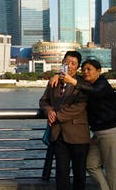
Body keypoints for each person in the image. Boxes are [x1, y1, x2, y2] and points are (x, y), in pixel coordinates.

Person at [56, 59, 116, 190]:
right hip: (98, 133)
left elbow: (95, 91)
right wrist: (57, 76)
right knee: (90, 164)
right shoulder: (85, 83)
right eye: (84, 69)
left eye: (89, 69)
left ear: (99, 71)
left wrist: (72, 81)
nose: (86, 72)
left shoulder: (102, 84)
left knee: (112, 172)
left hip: (112, 132)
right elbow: (73, 78)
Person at [39, 51, 90, 190]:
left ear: (78, 67)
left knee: (79, 175)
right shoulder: (54, 81)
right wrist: (48, 110)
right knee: (61, 175)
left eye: (73, 63)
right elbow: (43, 101)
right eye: (66, 62)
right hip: (58, 135)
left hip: (78, 135)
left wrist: (57, 116)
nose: (69, 65)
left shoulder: (82, 83)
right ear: (62, 62)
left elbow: (80, 106)